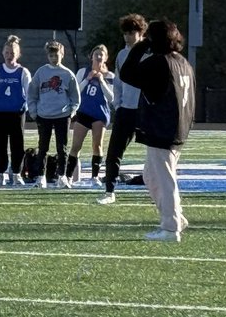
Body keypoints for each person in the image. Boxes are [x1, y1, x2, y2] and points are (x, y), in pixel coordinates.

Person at [118, 18, 195, 242]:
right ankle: (176, 218)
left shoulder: (160, 62)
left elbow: (127, 74)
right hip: (175, 126)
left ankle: (170, 228)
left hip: (163, 127)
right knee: (151, 176)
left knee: (163, 178)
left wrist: (140, 45)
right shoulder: (182, 62)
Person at [97, 14, 147, 204]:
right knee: (114, 152)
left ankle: (155, 189)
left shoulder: (149, 53)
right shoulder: (121, 55)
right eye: (125, 33)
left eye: (132, 32)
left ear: (140, 33)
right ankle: (109, 190)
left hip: (144, 111)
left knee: (154, 153)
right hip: (125, 110)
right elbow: (117, 83)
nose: (128, 37)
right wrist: (118, 104)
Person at [26, 40, 80, 189]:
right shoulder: (41, 72)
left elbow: (75, 97)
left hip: (62, 116)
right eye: (51, 55)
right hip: (44, 116)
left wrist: (71, 111)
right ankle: (40, 177)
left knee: (62, 148)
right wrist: (34, 111)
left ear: (62, 55)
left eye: (56, 55)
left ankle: (61, 177)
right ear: (47, 56)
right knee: (42, 147)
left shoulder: (67, 74)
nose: (54, 58)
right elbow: (32, 93)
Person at [0, 34, 31, 186]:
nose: (9, 56)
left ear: (17, 54)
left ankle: (16, 173)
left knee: (18, 144)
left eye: (12, 53)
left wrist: (26, 107)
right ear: (3, 53)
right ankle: (1, 173)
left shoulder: (23, 72)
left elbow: (29, 92)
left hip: (17, 113)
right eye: (7, 53)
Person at [65, 45, 115, 187]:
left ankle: (95, 177)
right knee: (76, 145)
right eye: (96, 54)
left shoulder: (110, 76)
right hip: (84, 112)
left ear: (106, 58)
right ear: (91, 56)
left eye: (102, 54)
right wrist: (87, 79)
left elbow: (111, 98)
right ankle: (68, 176)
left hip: (100, 114)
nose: (99, 57)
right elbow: (76, 91)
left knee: (97, 145)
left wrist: (102, 81)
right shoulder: (83, 71)